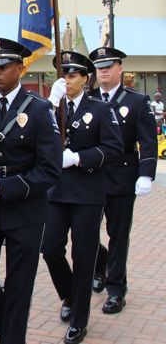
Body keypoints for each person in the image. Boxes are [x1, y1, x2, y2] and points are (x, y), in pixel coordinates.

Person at [0, 38, 62, 344]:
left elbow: (50, 169)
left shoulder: (39, 109)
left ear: (20, 69)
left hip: (24, 208)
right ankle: (11, 334)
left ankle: (11, 339)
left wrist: (5, 188)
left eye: (2, 67)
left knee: (19, 285)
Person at [42, 51, 123, 344]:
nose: (67, 79)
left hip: (87, 192)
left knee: (83, 254)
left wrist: (78, 157)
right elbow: (38, 139)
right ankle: (69, 295)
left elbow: (113, 149)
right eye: (63, 74)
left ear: (85, 78)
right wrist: (51, 105)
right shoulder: (50, 107)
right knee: (49, 247)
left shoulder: (100, 109)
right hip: (56, 191)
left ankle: (79, 319)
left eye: (73, 74)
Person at [88, 47, 157, 313]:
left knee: (118, 234)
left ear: (120, 69)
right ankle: (100, 265)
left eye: (109, 65)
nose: (103, 70)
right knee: (86, 233)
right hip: (90, 177)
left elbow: (148, 142)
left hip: (122, 176)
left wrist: (145, 174)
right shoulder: (88, 98)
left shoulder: (137, 101)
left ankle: (116, 288)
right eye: (99, 66)